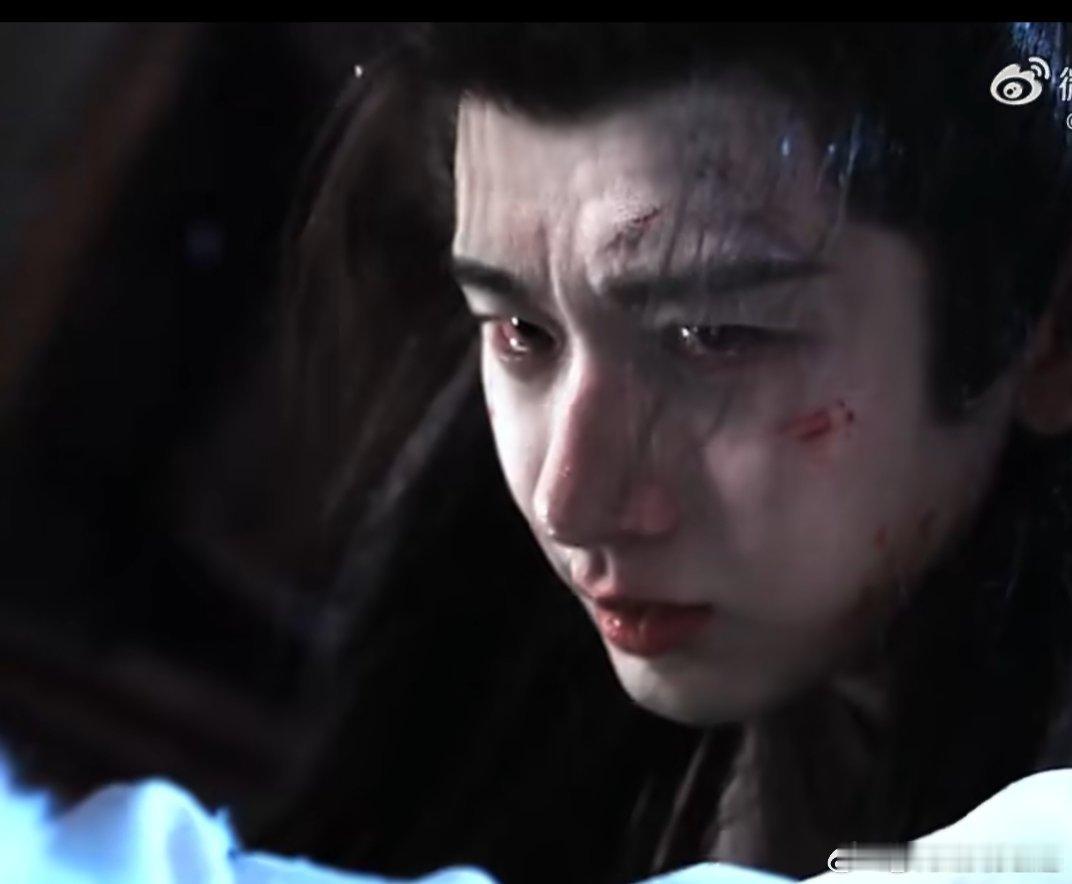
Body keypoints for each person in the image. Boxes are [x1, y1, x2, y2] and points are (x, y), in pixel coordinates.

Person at [276, 23, 1072, 882]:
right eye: (521, 332)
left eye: (714, 335)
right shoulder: (487, 628)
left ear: (1048, 335)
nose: (566, 503)